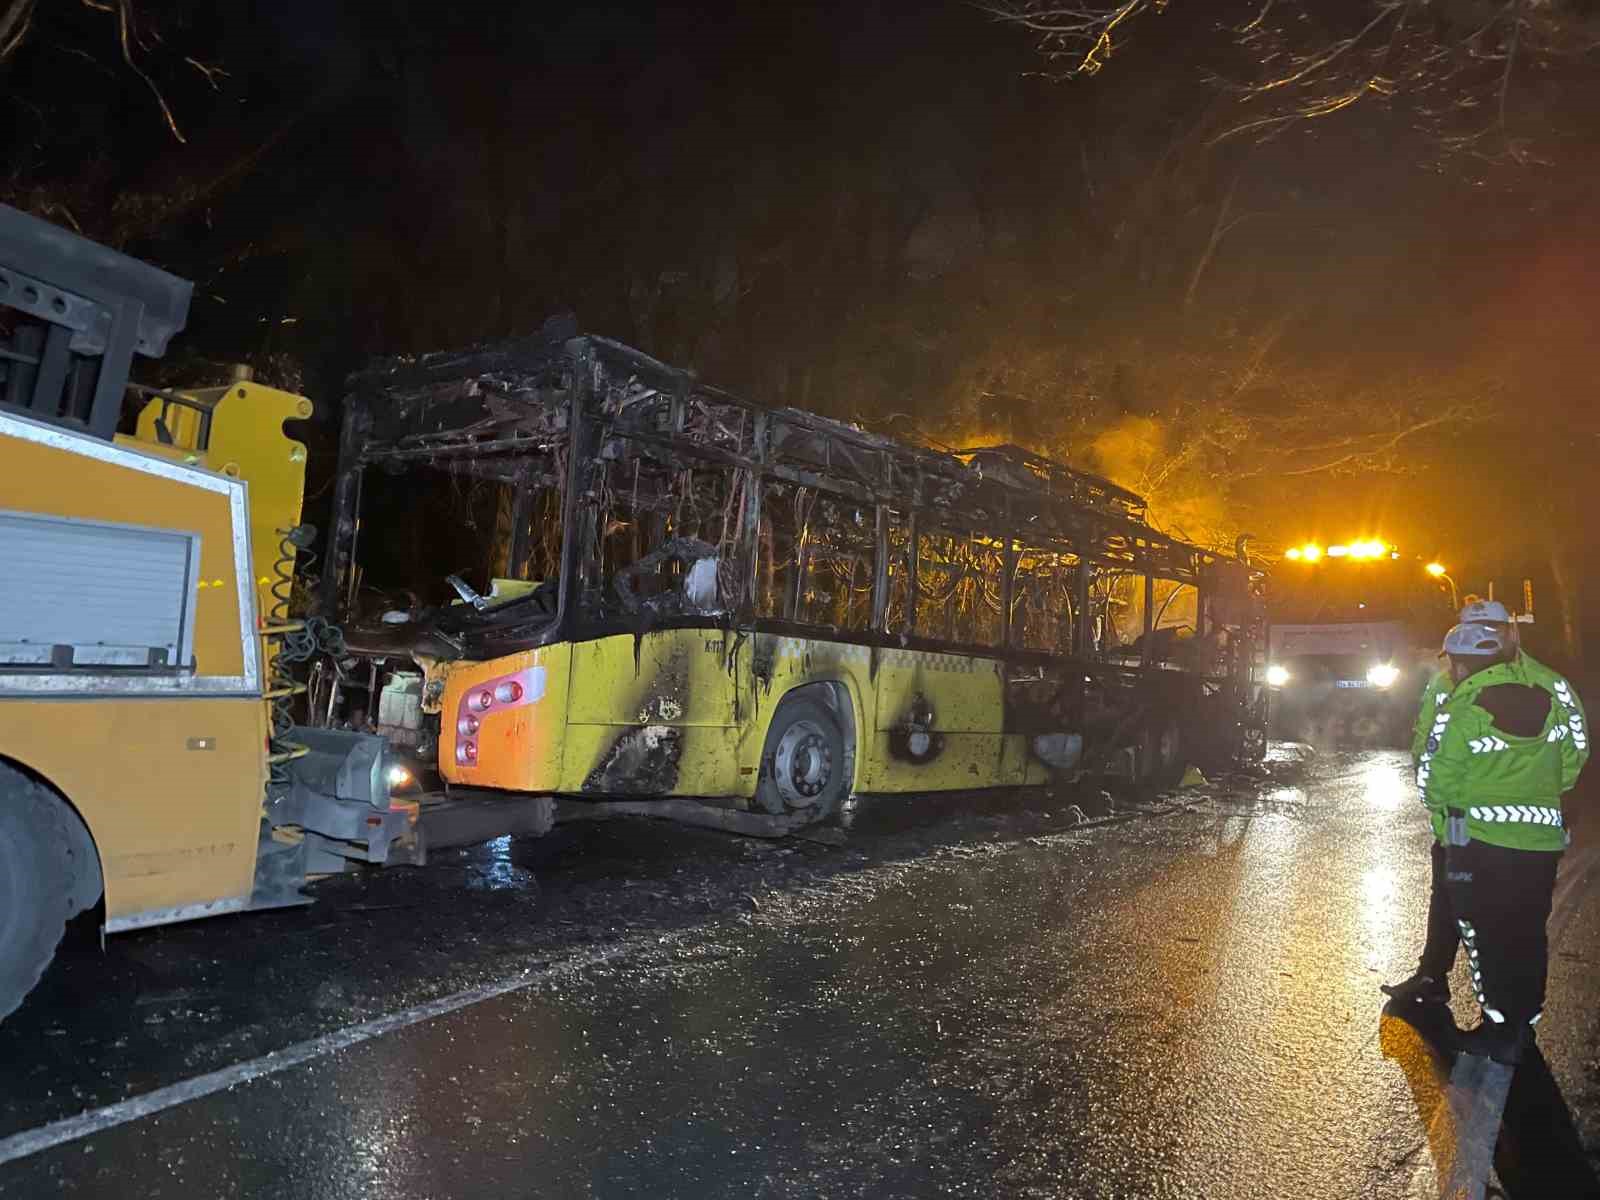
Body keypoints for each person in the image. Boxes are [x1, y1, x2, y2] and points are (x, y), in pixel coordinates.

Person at [1383, 619, 1588, 1063]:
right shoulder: (1550, 695)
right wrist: (1539, 791)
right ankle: (1521, 1025)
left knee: (1483, 930)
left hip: (1475, 838)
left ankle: (1498, 1027)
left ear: (1461, 664)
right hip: (1539, 841)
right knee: (1528, 931)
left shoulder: (1465, 706)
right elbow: (1573, 758)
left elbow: (1436, 781)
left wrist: (1455, 814)